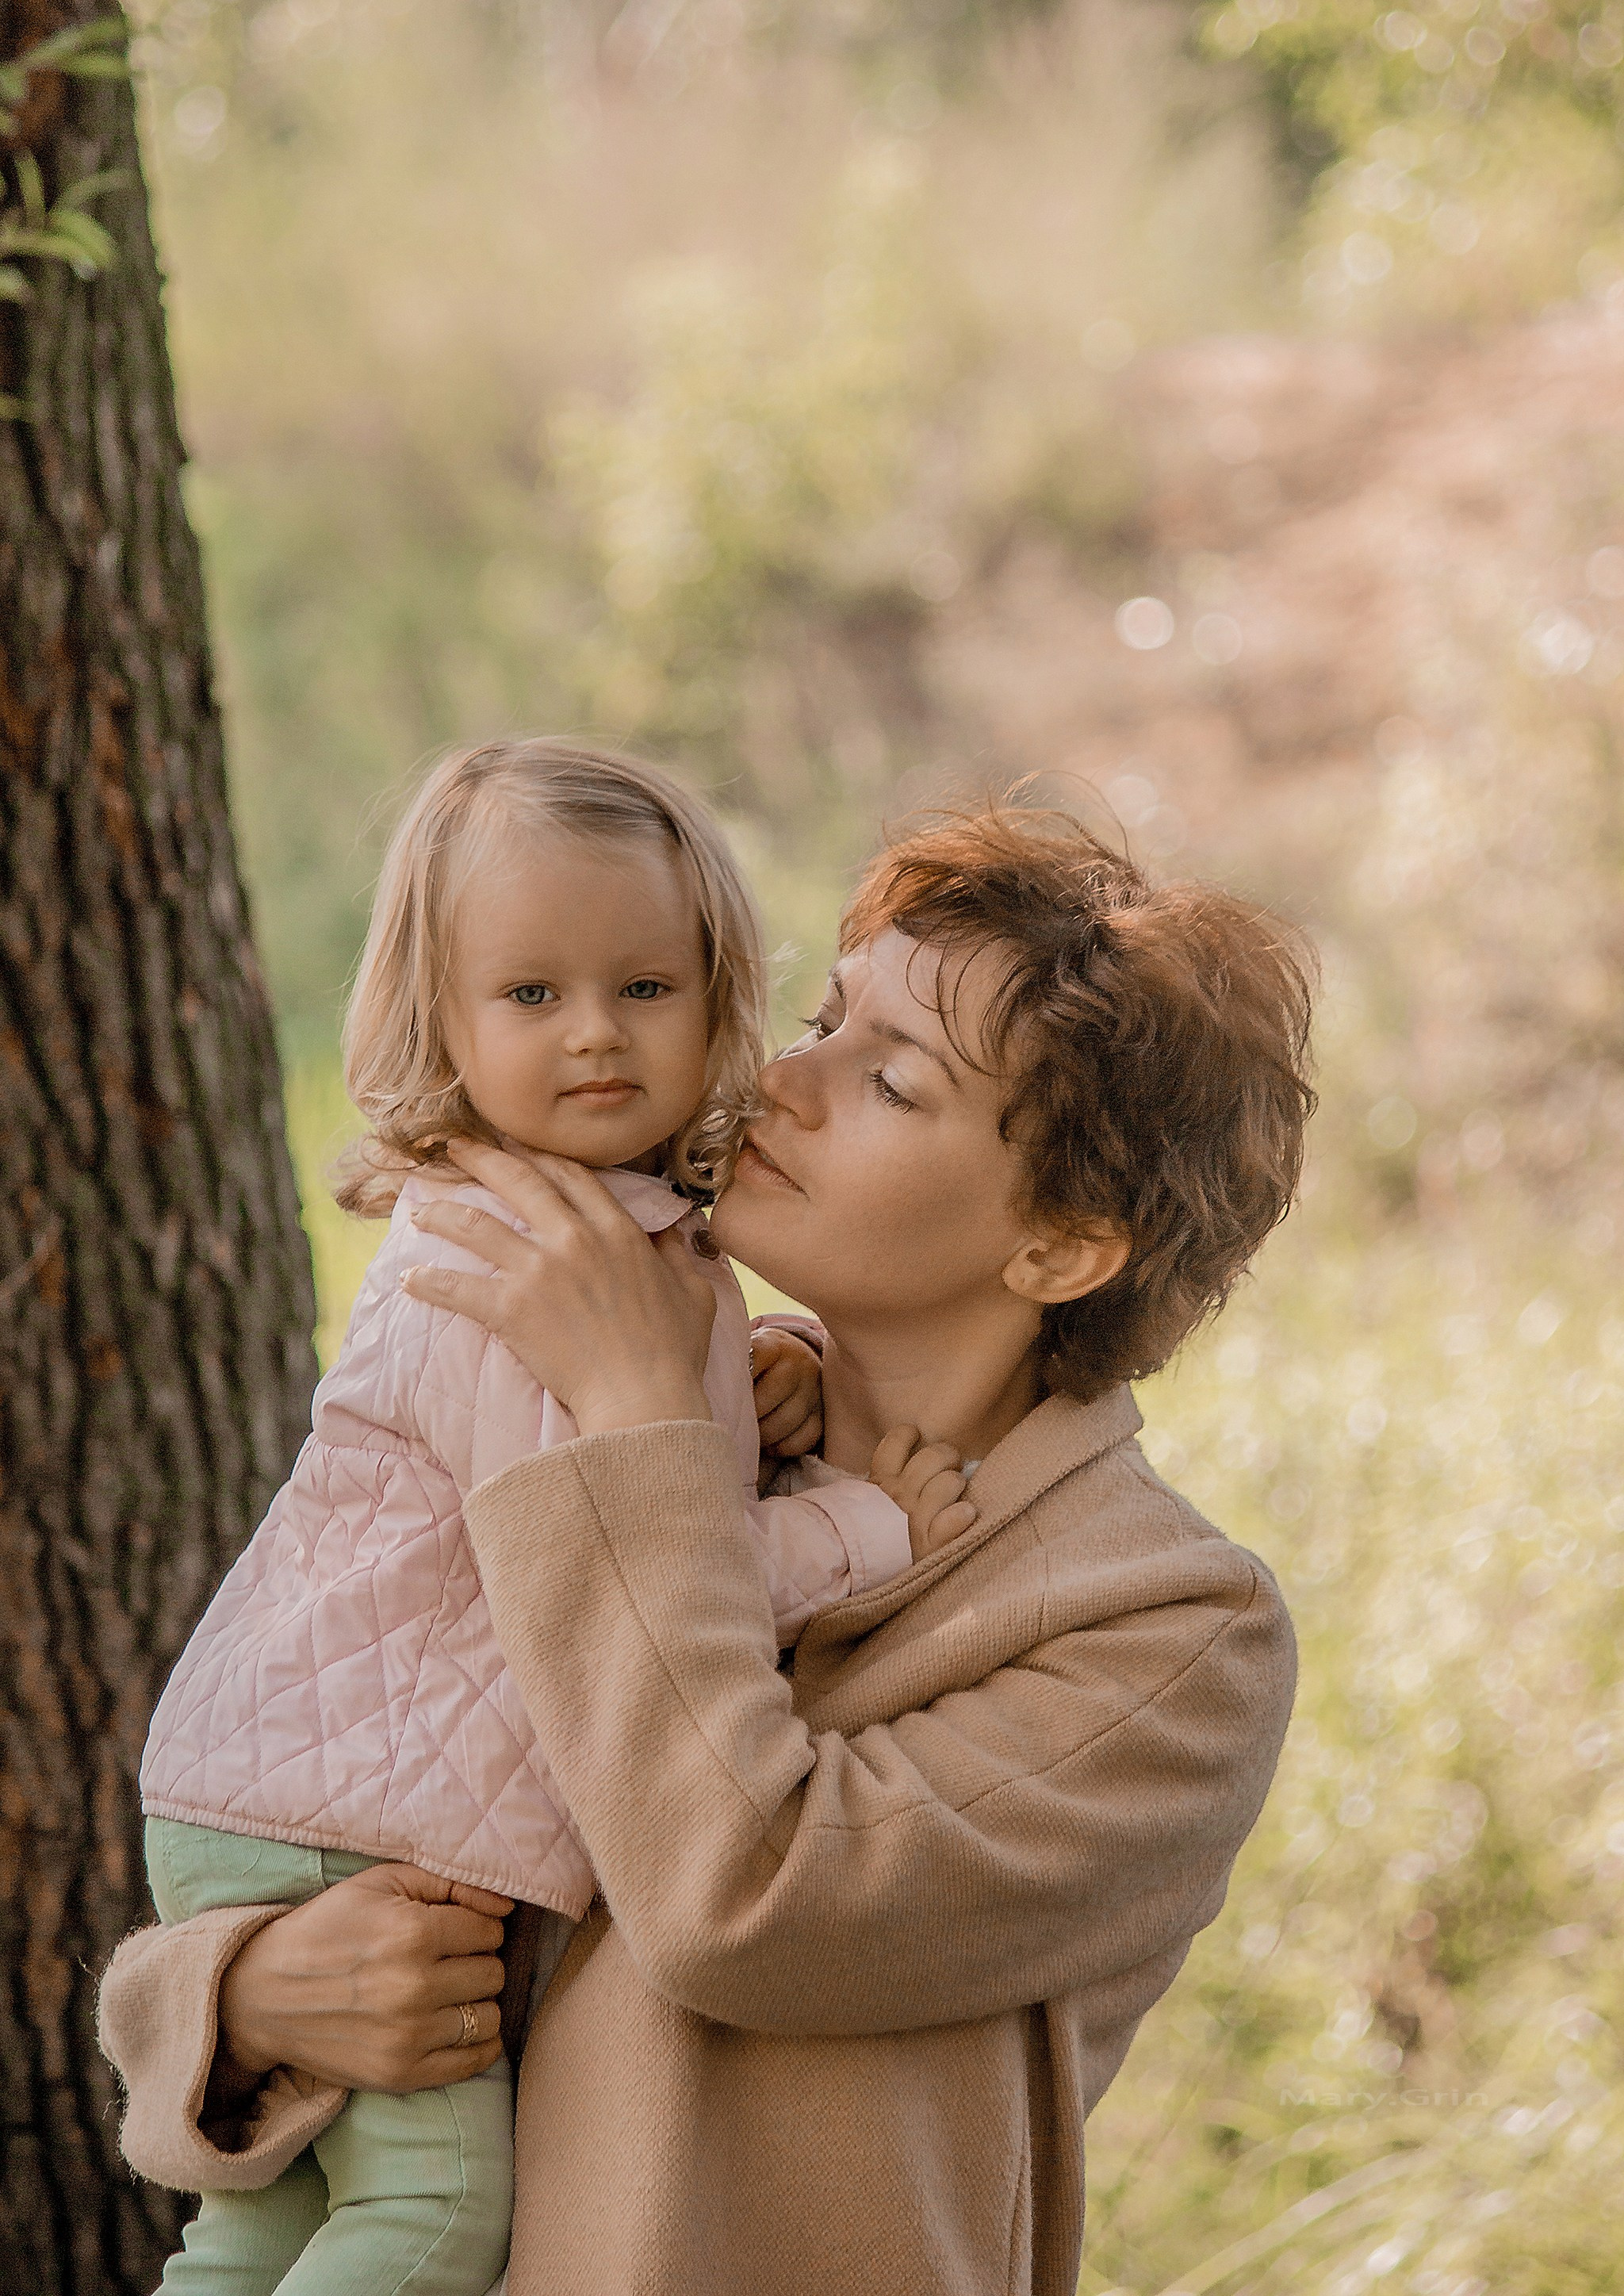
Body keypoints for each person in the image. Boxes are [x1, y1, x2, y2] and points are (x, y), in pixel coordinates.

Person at [101, 797, 1311, 2296]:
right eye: (819, 1020)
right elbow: (378, 1772)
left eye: (891, 1080)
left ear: (1060, 1243)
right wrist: (244, 2000)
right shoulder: (698, 1419)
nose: (782, 1083)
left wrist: (636, 1428)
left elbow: (747, 1900)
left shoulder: (1167, 1635)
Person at [126, 738, 963, 2296]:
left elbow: (651, 1448)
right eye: (530, 997)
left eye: (645, 988)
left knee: (262, 2226)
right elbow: (595, 1554)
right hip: (345, 1818)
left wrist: (755, 1377)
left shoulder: (614, 1227)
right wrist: (863, 1531)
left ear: (719, 989)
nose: (595, 1035)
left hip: (291, 1776)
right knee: (430, 2215)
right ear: (438, 1019)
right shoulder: (511, 1259)